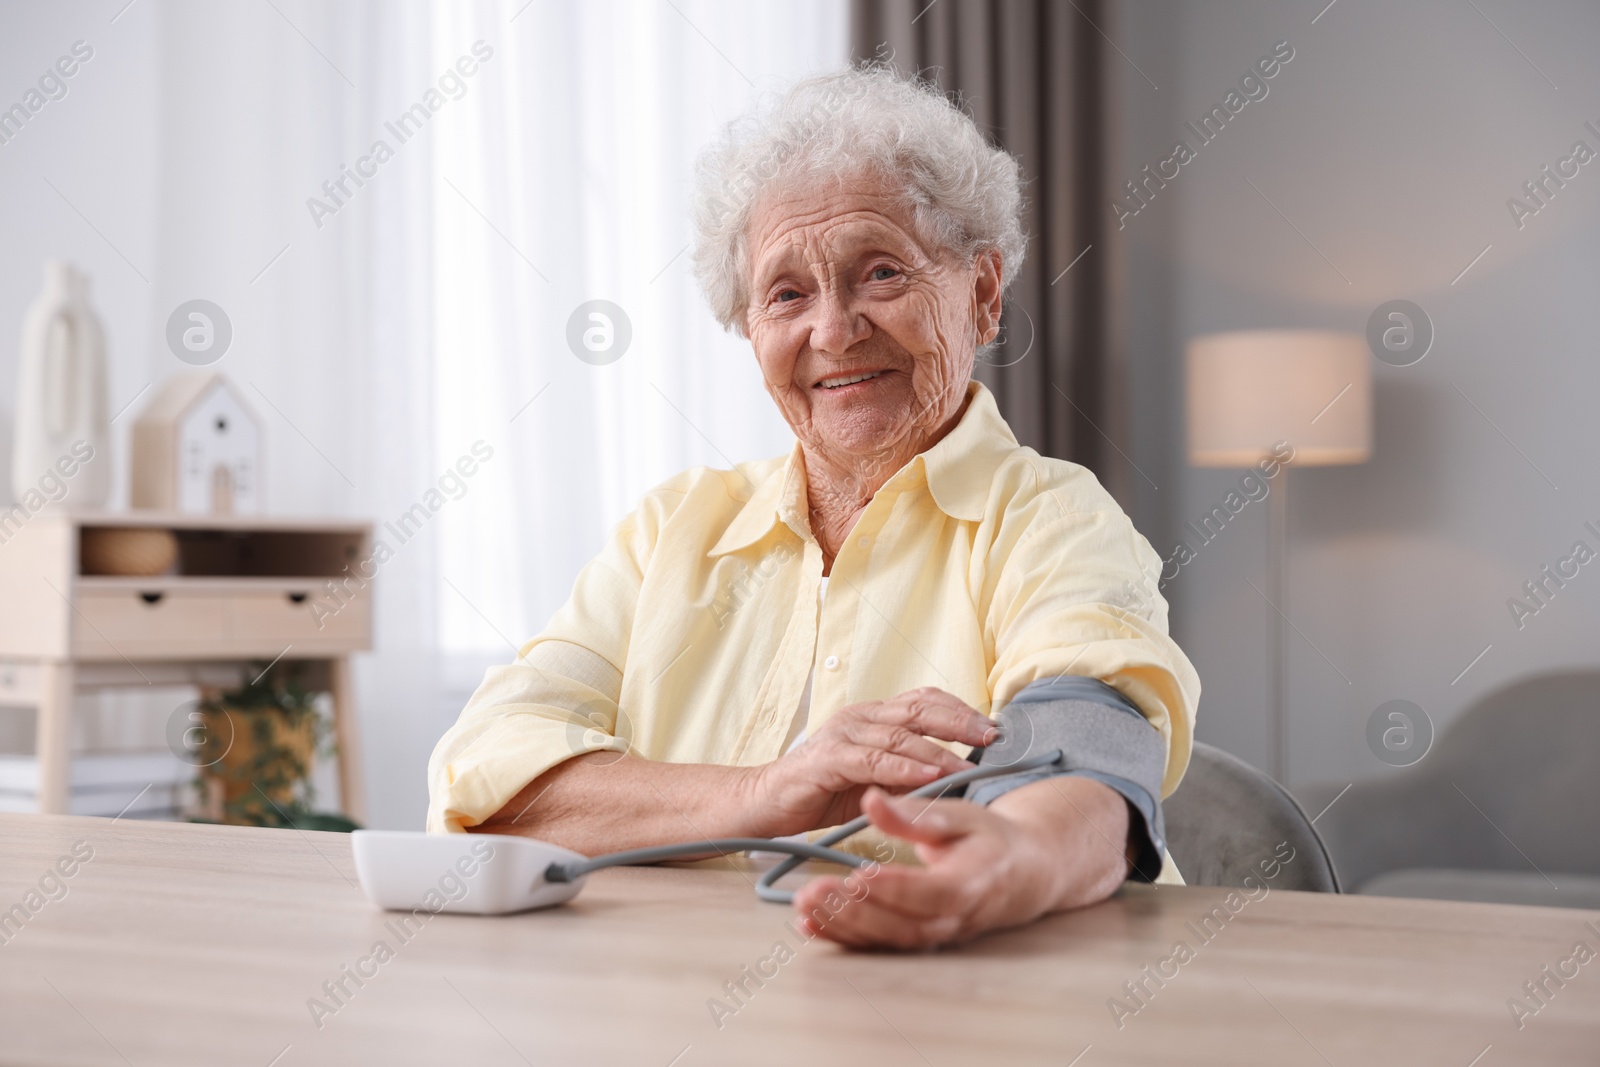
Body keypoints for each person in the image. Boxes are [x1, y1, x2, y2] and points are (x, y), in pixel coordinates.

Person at [428, 64, 1200, 949]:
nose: (833, 331)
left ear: (983, 292)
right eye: (787, 293)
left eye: (879, 272)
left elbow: (1090, 747)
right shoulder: (670, 531)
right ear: (751, 326)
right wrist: (760, 793)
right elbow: (488, 774)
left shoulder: (1051, 519)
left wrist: (1015, 857)